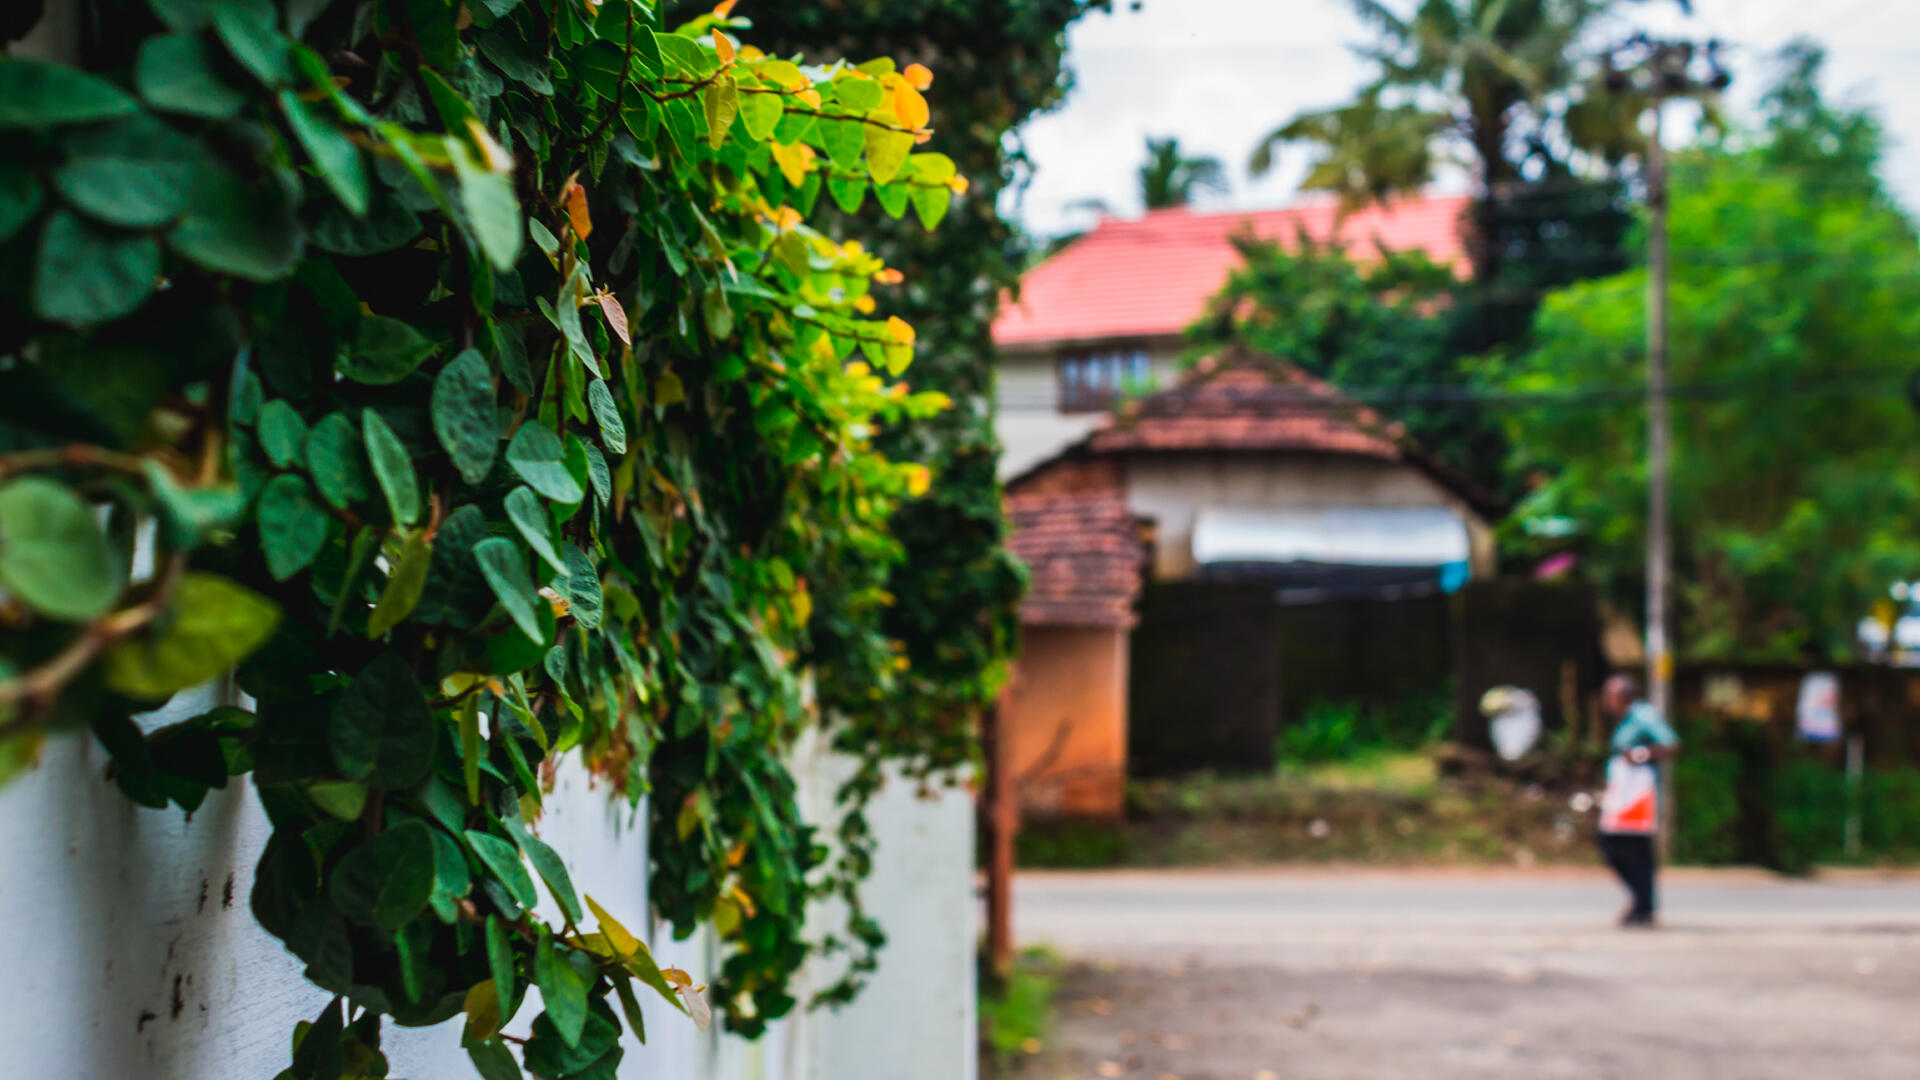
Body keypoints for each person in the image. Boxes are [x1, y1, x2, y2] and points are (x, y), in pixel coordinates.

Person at [1595, 673, 1680, 927]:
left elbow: (1671, 745)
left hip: (1637, 793)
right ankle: (1642, 903)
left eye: (1609, 696)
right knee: (1617, 846)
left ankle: (1644, 905)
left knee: (1633, 849)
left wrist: (1641, 754)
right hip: (1622, 790)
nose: (1606, 702)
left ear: (1623, 697)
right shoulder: (1623, 719)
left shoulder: (1643, 715)